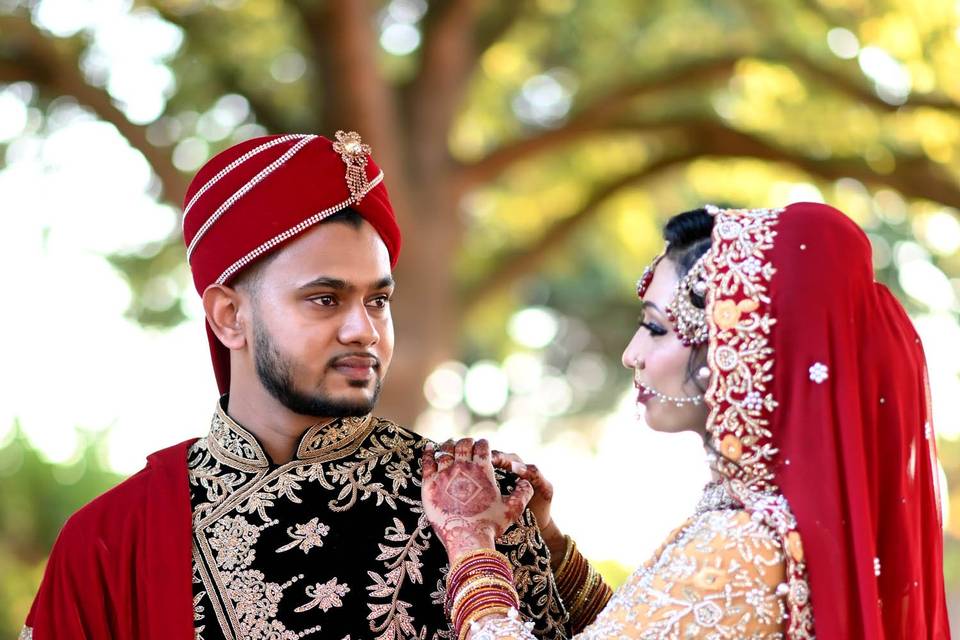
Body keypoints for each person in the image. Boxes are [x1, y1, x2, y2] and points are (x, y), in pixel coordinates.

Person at [21, 132, 569, 640]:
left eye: (378, 300)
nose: (365, 330)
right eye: (325, 299)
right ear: (229, 316)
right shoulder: (112, 542)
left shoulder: (472, 505)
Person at [422, 202, 952, 639]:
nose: (632, 354)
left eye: (655, 328)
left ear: (738, 345)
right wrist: (553, 545)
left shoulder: (748, 545)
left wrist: (471, 544)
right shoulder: (764, 522)